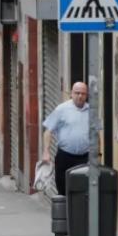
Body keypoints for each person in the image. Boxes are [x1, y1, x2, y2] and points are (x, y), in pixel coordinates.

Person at [41, 82, 98, 217]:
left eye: (83, 93)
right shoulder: (61, 109)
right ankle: (64, 221)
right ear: (71, 93)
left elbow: (97, 134)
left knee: (83, 190)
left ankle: (79, 220)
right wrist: (46, 152)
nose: (80, 96)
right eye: (77, 93)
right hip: (65, 157)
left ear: (87, 95)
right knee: (63, 190)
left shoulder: (92, 112)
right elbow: (48, 132)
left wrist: (98, 154)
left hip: (84, 158)